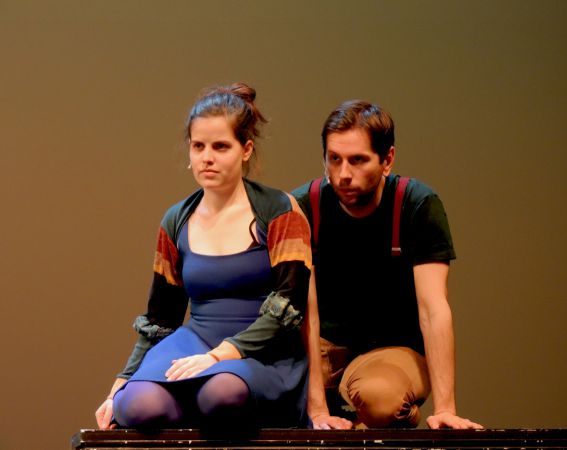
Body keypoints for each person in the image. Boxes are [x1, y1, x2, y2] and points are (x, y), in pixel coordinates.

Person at [95, 83, 312, 433]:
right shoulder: (176, 219)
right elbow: (161, 317)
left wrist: (220, 355)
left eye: (220, 146)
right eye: (198, 146)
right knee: (137, 405)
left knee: (221, 394)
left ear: (246, 149)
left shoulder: (279, 211)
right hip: (195, 341)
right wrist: (123, 380)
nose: (206, 157)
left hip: (262, 351)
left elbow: (289, 306)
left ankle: (211, 407)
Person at [292, 100, 482, 430]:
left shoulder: (415, 204)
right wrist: (317, 409)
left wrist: (446, 408)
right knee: (268, 391)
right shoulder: (305, 206)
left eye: (358, 160)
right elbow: (304, 310)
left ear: (387, 160)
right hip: (325, 345)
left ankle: (391, 419)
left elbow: (433, 309)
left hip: (393, 349)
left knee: (380, 399)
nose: (343, 174)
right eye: (334, 159)